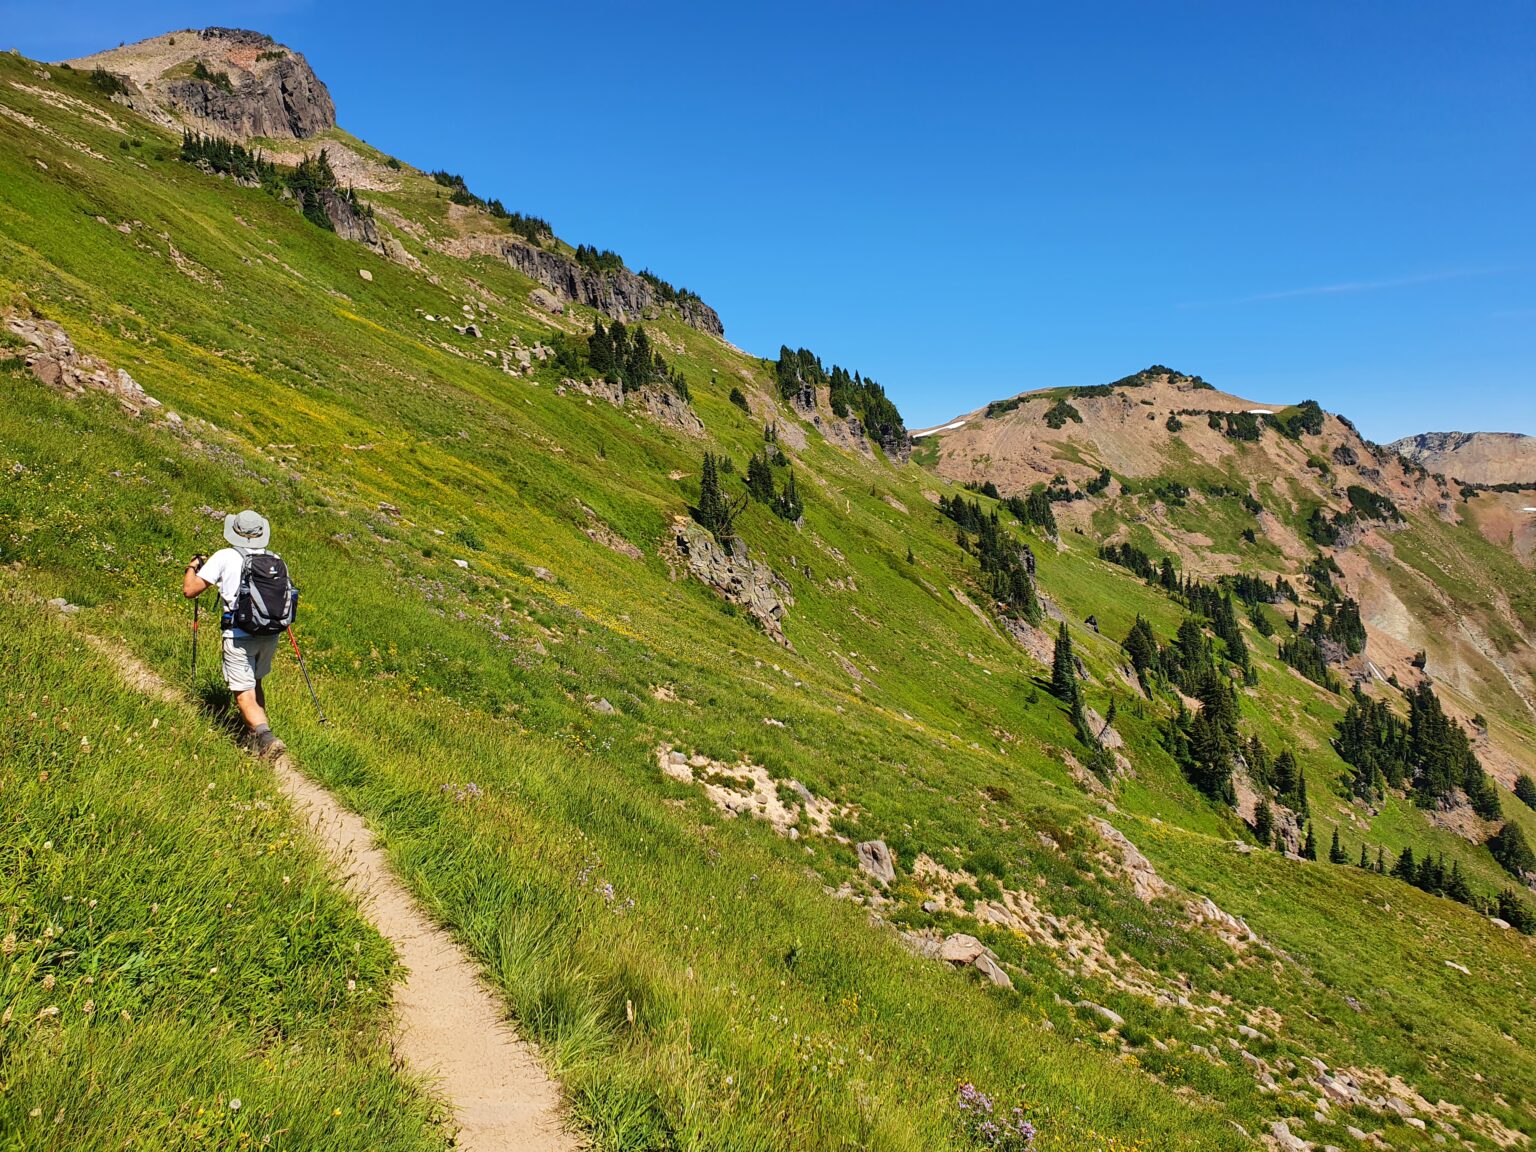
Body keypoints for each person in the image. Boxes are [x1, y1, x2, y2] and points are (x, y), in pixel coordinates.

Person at [182, 509, 287, 758]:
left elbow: (190, 590)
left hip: (239, 634)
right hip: (270, 633)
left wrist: (192, 567)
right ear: (260, 533)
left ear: (236, 532)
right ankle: (254, 738)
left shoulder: (224, 556)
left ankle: (266, 738)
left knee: (242, 693)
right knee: (256, 682)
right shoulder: (275, 558)